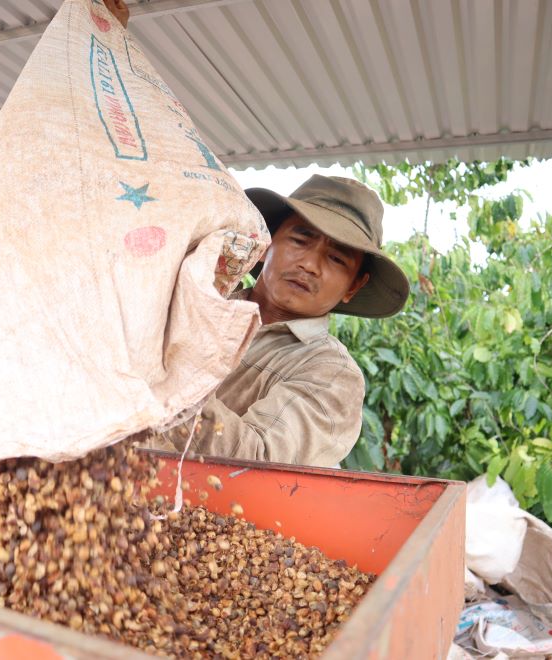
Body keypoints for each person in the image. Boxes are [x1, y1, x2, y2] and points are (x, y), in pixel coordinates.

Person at [103, 0, 410, 466]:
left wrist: (159, 382)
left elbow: (262, 459)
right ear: (269, 241)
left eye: (336, 259)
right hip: (110, 483)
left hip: (205, 528)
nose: (309, 263)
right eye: (301, 240)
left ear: (355, 286)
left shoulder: (328, 374)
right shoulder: (202, 299)